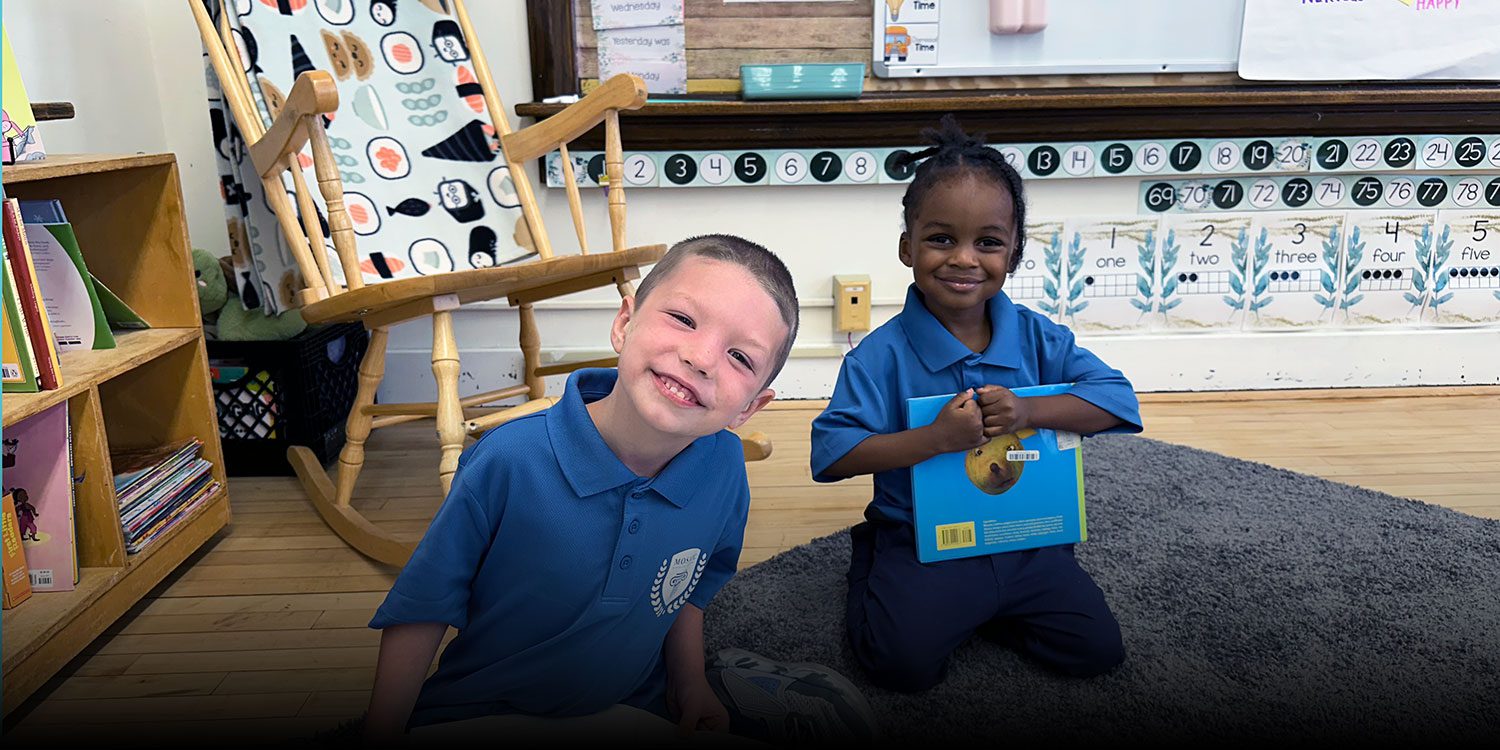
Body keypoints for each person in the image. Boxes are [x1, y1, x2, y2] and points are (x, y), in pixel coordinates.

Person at [363, 234, 812, 745]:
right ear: (625, 323)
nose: (702, 357)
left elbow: (688, 585)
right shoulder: (508, 460)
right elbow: (424, 606)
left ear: (749, 407)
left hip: (630, 705)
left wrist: (689, 683)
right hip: (479, 711)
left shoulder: (727, 466)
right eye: (684, 319)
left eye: (740, 357)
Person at [810, 115, 1145, 693]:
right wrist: (934, 440)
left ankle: (988, 610)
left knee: (1096, 652)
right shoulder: (878, 357)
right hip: (924, 543)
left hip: (1029, 540)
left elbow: (1118, 403)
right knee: (901, 668)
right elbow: (832, 456)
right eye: (942, 238)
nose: (964, 259)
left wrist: (1030, 411)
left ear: (1013, 253)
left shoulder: (1041, 338)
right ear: (907, 246)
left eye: (988, 242)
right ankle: (873, 560)